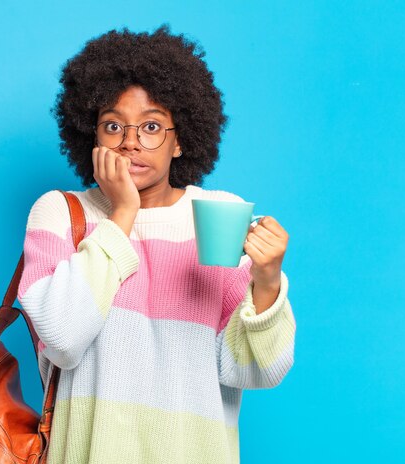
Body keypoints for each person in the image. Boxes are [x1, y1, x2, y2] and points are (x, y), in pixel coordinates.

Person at [17, 24, 296, 464]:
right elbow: (62, 339)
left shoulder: (218, 217)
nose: (131, 143)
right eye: (113, 126)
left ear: (181, 138)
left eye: (151, 126)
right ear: (92, 136)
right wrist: (122, 213)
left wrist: (266, 280)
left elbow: (255, 370)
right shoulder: (60, 213)